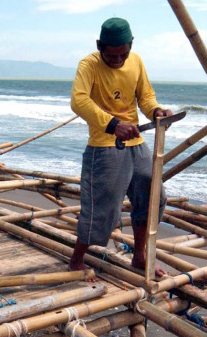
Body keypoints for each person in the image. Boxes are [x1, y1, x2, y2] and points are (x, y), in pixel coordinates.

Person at [69, 17, 171, 276]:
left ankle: (139, 256)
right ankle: (76, 259)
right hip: (105, 145)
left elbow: (146, 96)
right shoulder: (89, 64)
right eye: (111, 56)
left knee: (152, 196)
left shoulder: (136, 61)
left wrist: (156, 112)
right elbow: (79, 101)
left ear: (130, 46)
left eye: (122, 55)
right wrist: (113, 124)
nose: (117, 60)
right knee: (102, 206)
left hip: (137, 143)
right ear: (99, 46)